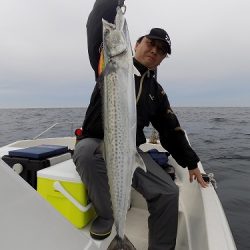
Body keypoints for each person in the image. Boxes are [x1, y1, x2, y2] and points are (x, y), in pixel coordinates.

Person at [73, 0, 208, 249]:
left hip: (130, 151)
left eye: (161, 50)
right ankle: (107, 214)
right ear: (136, 44)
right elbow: (96, 25)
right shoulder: (109, 66)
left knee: (168, 193)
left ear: (163, 59)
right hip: (96, 141)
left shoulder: (156, 92)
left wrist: (191, 162)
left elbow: (170, 128)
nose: (154, 51)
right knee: (84, 152)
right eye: (150, 43)